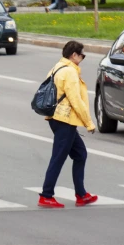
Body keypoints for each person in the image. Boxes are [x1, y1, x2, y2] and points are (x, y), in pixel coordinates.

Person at [38, 41, 97, 209]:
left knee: (80, 154)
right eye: (82, 55)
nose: (82, 58)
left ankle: (81, 194)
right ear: (74, 55)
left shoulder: (57, 67)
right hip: (65, 120)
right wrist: (88, 123)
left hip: (58, 119)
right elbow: (75, 100)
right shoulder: (70, 71)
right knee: (58, 157)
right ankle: (46, 195)